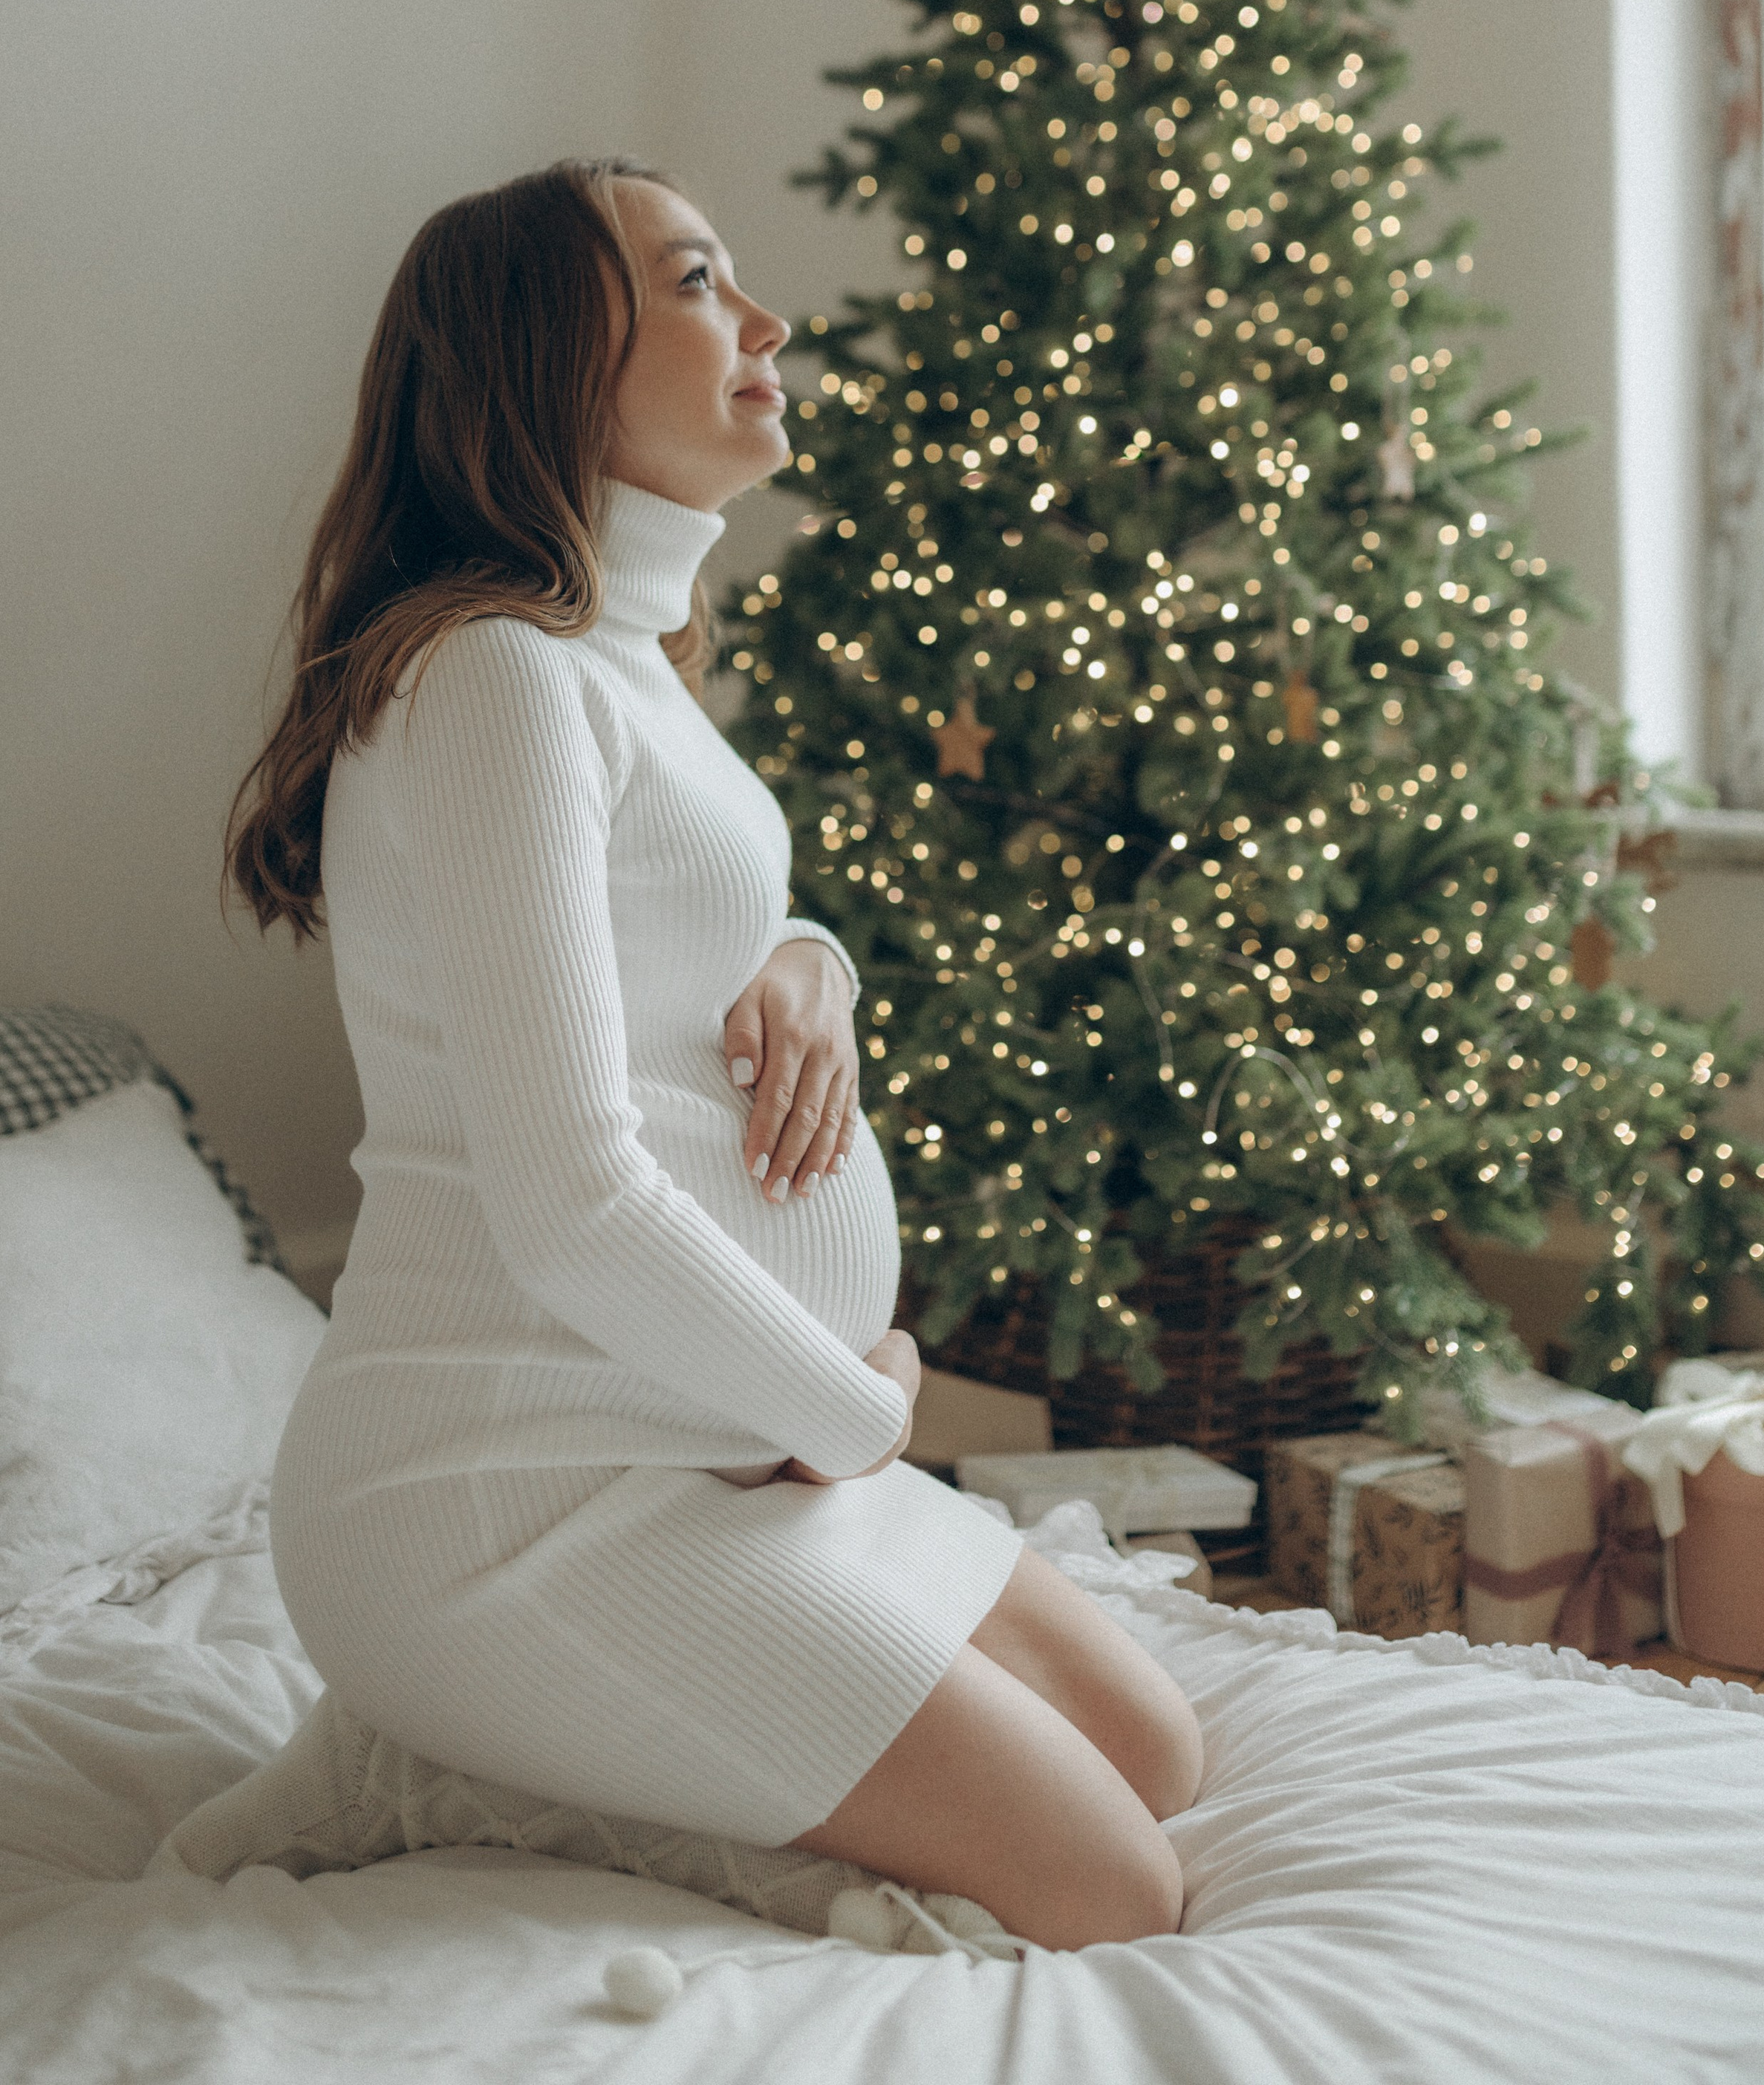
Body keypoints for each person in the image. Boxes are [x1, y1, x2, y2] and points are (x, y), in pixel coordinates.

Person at [226, 157, 1201, 1951]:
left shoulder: (613, 661)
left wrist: (812, 963)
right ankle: (440, 1767)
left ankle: (519, 1752)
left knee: (1159, 1753)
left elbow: (681, 928)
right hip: (508, 1506)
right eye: (693, 282)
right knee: (1105, 1890)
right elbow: (569, 1198)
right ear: (548, 357)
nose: (764, 322)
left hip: (708, 1446)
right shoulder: (494, 678)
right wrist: (855, 1415)